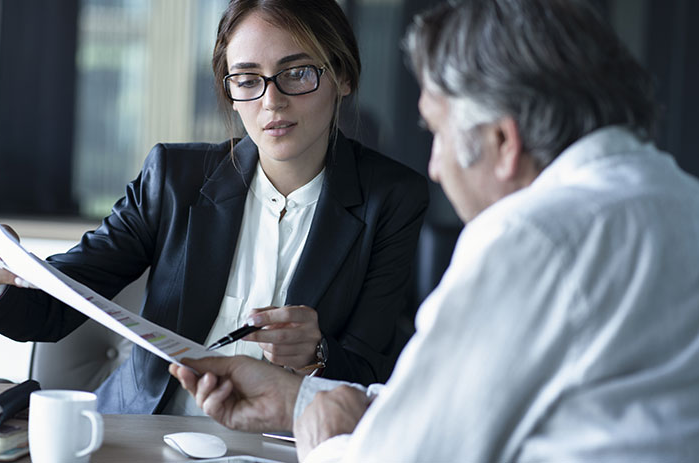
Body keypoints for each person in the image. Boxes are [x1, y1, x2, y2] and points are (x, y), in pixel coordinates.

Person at [169, 0, 699, 461]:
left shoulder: (531, 238)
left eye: (438, 132)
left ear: (502, 141)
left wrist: (326, 442)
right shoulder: (679, 200)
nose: (437, 166)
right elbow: (460, 406)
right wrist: (296, 402)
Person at [0, 0, 428, 415]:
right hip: (146, 433)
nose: (272, 101)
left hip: (285, 444)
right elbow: (51, 309)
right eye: (247, 79)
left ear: (342, 77)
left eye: (298, 73)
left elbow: (373, 374)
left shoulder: (392, 198)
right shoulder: (174, 178)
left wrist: (316, 353)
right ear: (230, 92)